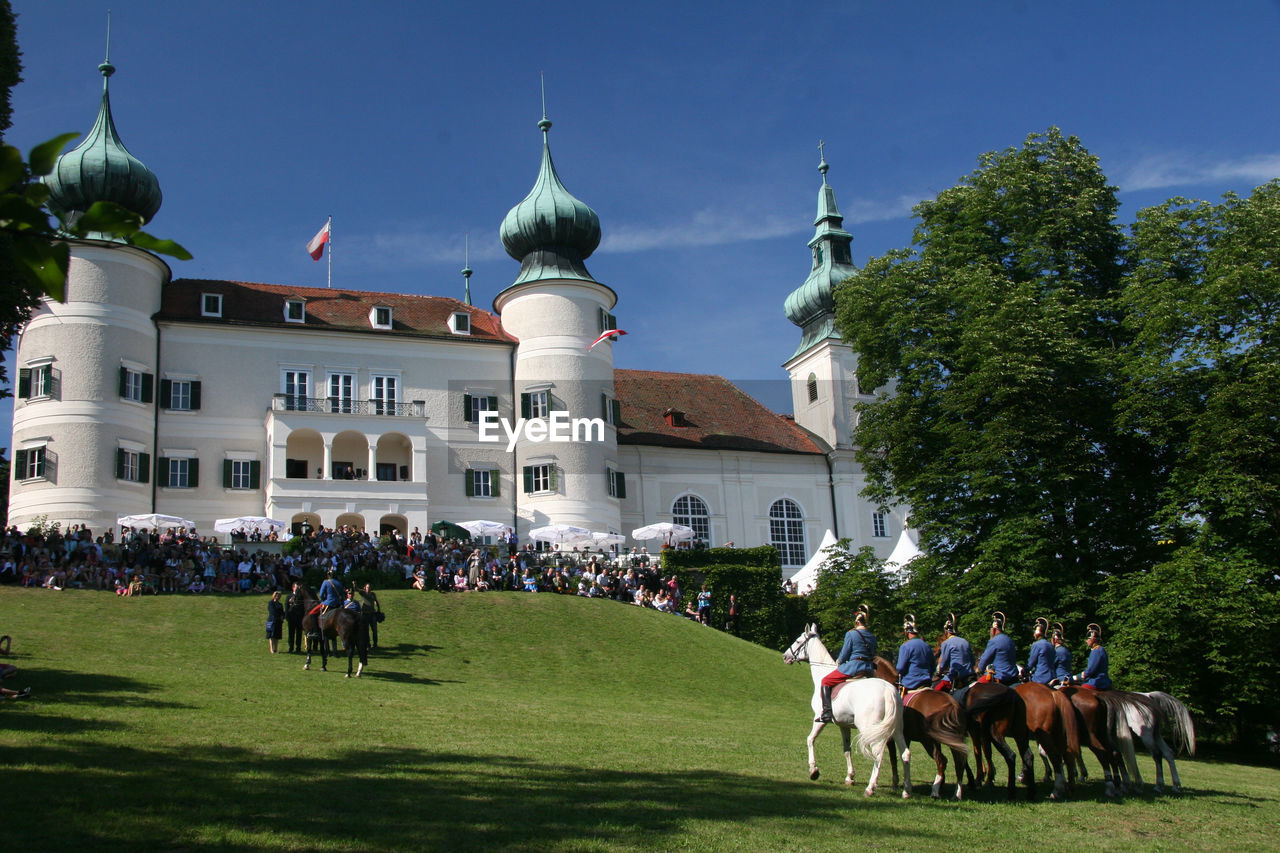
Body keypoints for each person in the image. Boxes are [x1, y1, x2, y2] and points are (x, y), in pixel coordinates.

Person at [816, 604, 876, 723]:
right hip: (869, 668)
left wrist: (839, 661)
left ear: (857, 622)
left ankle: (827, 712)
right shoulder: (872, 636)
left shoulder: (851, 634)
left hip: (854, 667)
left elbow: (844, 654)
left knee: (825, 681)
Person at [976, 611, 1019, 685]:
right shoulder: (1009, 640)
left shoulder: (994, 641)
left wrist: (979, 669)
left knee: (976, 687)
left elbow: (985, 659)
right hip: (1013, 676)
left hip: (999, 676)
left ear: (993, 629)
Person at [895, 615, 936, 692]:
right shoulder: (926, 645)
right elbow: (933, 666)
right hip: (927, 682)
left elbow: (900, 668)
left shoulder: (906, 646)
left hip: (911, 682)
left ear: (907, 632)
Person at [934, 612, 974, 691]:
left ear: (946, 631)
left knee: (935, 690)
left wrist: (939, 671)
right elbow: (972, 661)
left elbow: (943, 663)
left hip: (955, 677)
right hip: (970, 675)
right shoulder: (965, 641)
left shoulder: (946, 643)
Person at [1078, 623, 1112, 689]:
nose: (1086, 641)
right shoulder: (1098, 649)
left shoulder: (1097, 651)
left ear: (1093, 639)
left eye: (1088, 638)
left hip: (1097, 681)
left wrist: (1076, 677)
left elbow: (1090, 671)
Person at [1026, 617, 1054, 684]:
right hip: (1052, 676)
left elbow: (1031, 663)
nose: (1034, 632)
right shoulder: (1051, 645)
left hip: (1040, 677)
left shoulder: (1037, 645)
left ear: (1039, 632)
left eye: (1036, 630)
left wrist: (1025, 670)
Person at [358, 583, 382, 649]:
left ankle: (375, 644)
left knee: (374, 630)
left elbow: (376, 601)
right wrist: (354, 584)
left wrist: (378, 609)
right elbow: (356, 589)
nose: (368, 588)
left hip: (372, 614)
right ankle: (368, 644)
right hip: (365, 614)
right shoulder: (363, 593)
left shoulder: (373, 594)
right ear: (365, 588)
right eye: (367, 587)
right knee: (366, 630)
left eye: (369, 587)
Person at [1050, 622, 1073, 686]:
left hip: (1061, 679)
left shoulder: (1057, 651)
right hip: (1069, 678)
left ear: (1054, 640)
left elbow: (1051, 665)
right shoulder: (1066, 650)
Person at [285, 582, 305, 653]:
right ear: (293, 587)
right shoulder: (289, 596)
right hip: (291, 617)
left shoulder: (301, 597)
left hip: (299, 617)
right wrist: (287, 617)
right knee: (291, 633)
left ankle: (298, 648)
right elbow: (287, 607)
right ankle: (291, 648)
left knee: (299, 633)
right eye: (297, 587)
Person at [266, 590, 284, 654]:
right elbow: (272, 611)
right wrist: (279, 615)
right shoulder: (271, 603)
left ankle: (276, 649)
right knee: (271, 635)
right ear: (274, 596)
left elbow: (282, 612)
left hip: (278, 621)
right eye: (277, 595)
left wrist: (282, 617)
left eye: (279, 596)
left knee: (277, 636)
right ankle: (271, 649)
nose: (278, 597)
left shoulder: (280, 604)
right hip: (271, 621)